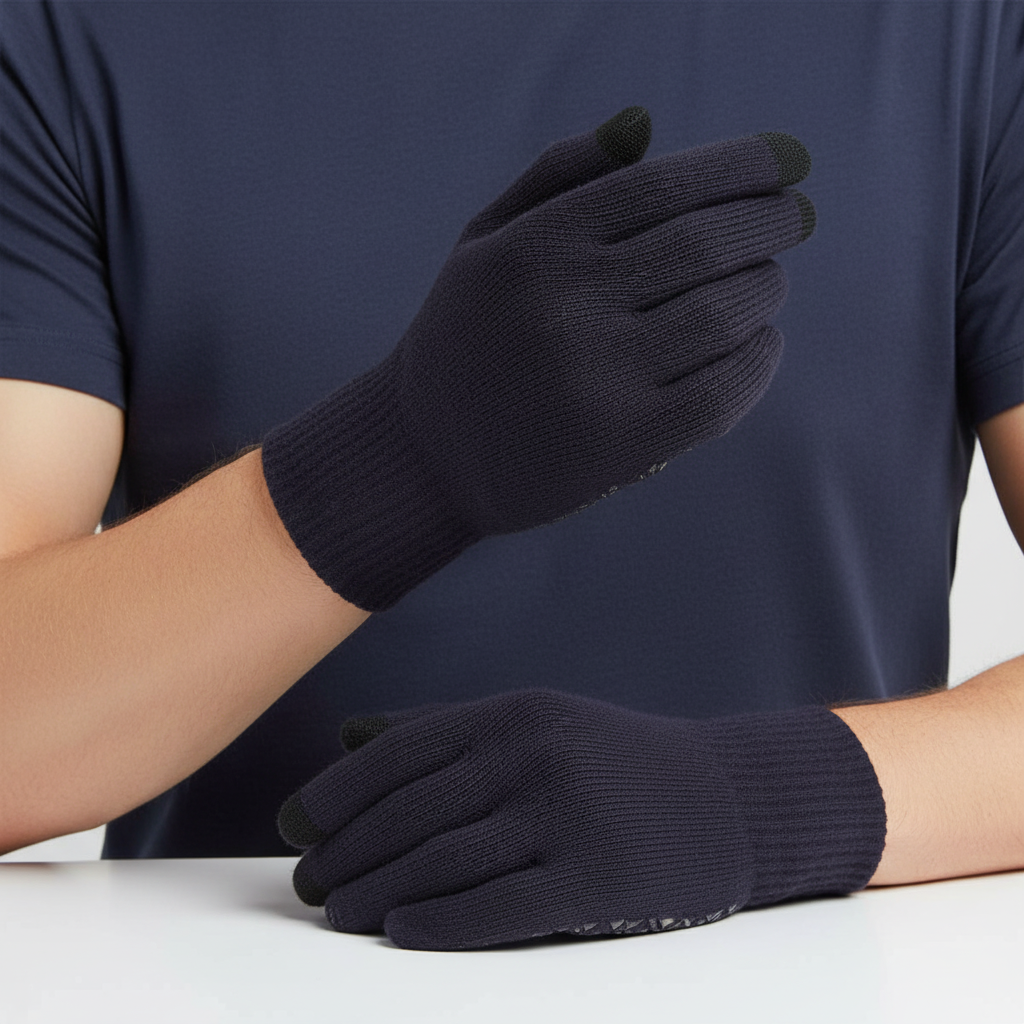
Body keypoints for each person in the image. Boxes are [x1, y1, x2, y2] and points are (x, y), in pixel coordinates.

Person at [1, 0, 1021, 951]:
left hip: (823, 978)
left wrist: (761, 801)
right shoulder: (64, 38)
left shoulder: (964, 30)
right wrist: (401, 459)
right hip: (240, 979)